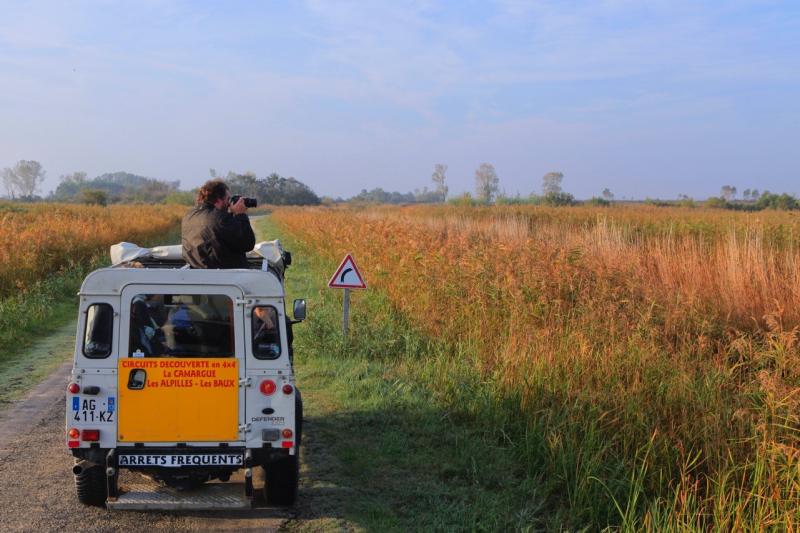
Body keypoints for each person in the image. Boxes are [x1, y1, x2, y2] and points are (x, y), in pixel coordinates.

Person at [181, 179, 256, 269]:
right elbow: (248, 243)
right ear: (218, 200)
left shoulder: (188, 216)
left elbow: (220, 236)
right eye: (228, 199)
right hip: (226, 278)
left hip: (198, 274)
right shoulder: (220, 218)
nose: (229, 203)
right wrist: (240, 215)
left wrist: (231, 214)